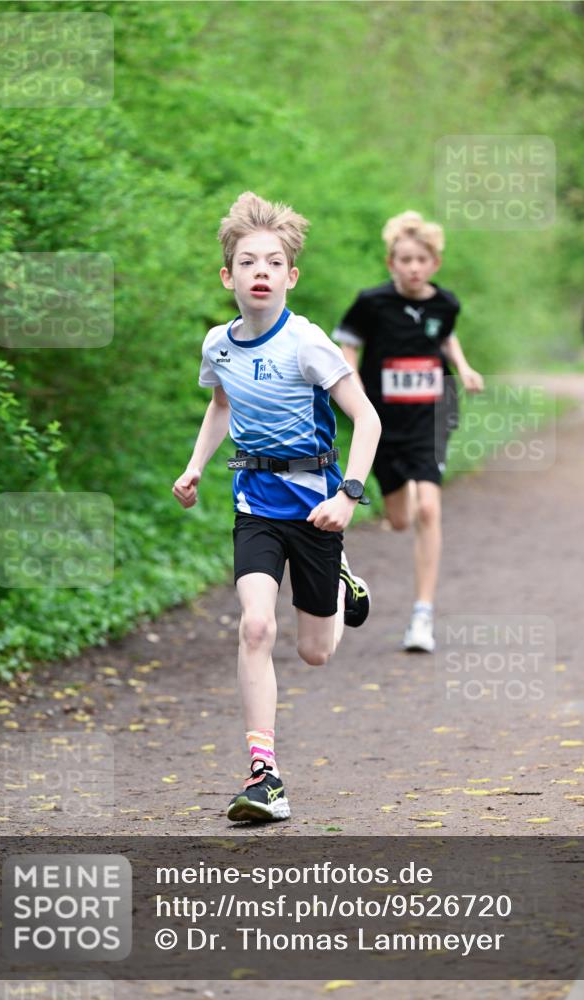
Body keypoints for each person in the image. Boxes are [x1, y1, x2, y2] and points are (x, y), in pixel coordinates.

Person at [172, 192, 381, 823]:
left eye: (272, 263)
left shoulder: (307, 344)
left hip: (317, 507)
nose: (259, 272)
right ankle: (265, 775)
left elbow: (367, 419)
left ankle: (340, 576)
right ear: (228, 276)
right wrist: (195, 465)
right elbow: (221, 404)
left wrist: (348, 496)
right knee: (256, 627)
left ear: (291, 276)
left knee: (315, 652)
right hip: (255, 505)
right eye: (247, 262)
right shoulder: (219, 344)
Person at [334, 210, 483, 653]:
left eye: (422, 259)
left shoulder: (446, 304)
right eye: (405, 259)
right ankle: (407, 499)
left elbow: (446, 337)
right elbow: (348, 343)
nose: (414, 267)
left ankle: (422, 615)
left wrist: (463, 367)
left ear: (435, 263)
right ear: (391, 263)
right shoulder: (371, 302)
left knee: (430, 510)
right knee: (401, 519)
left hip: (432, 415)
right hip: (383, 422)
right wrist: (354, 388)